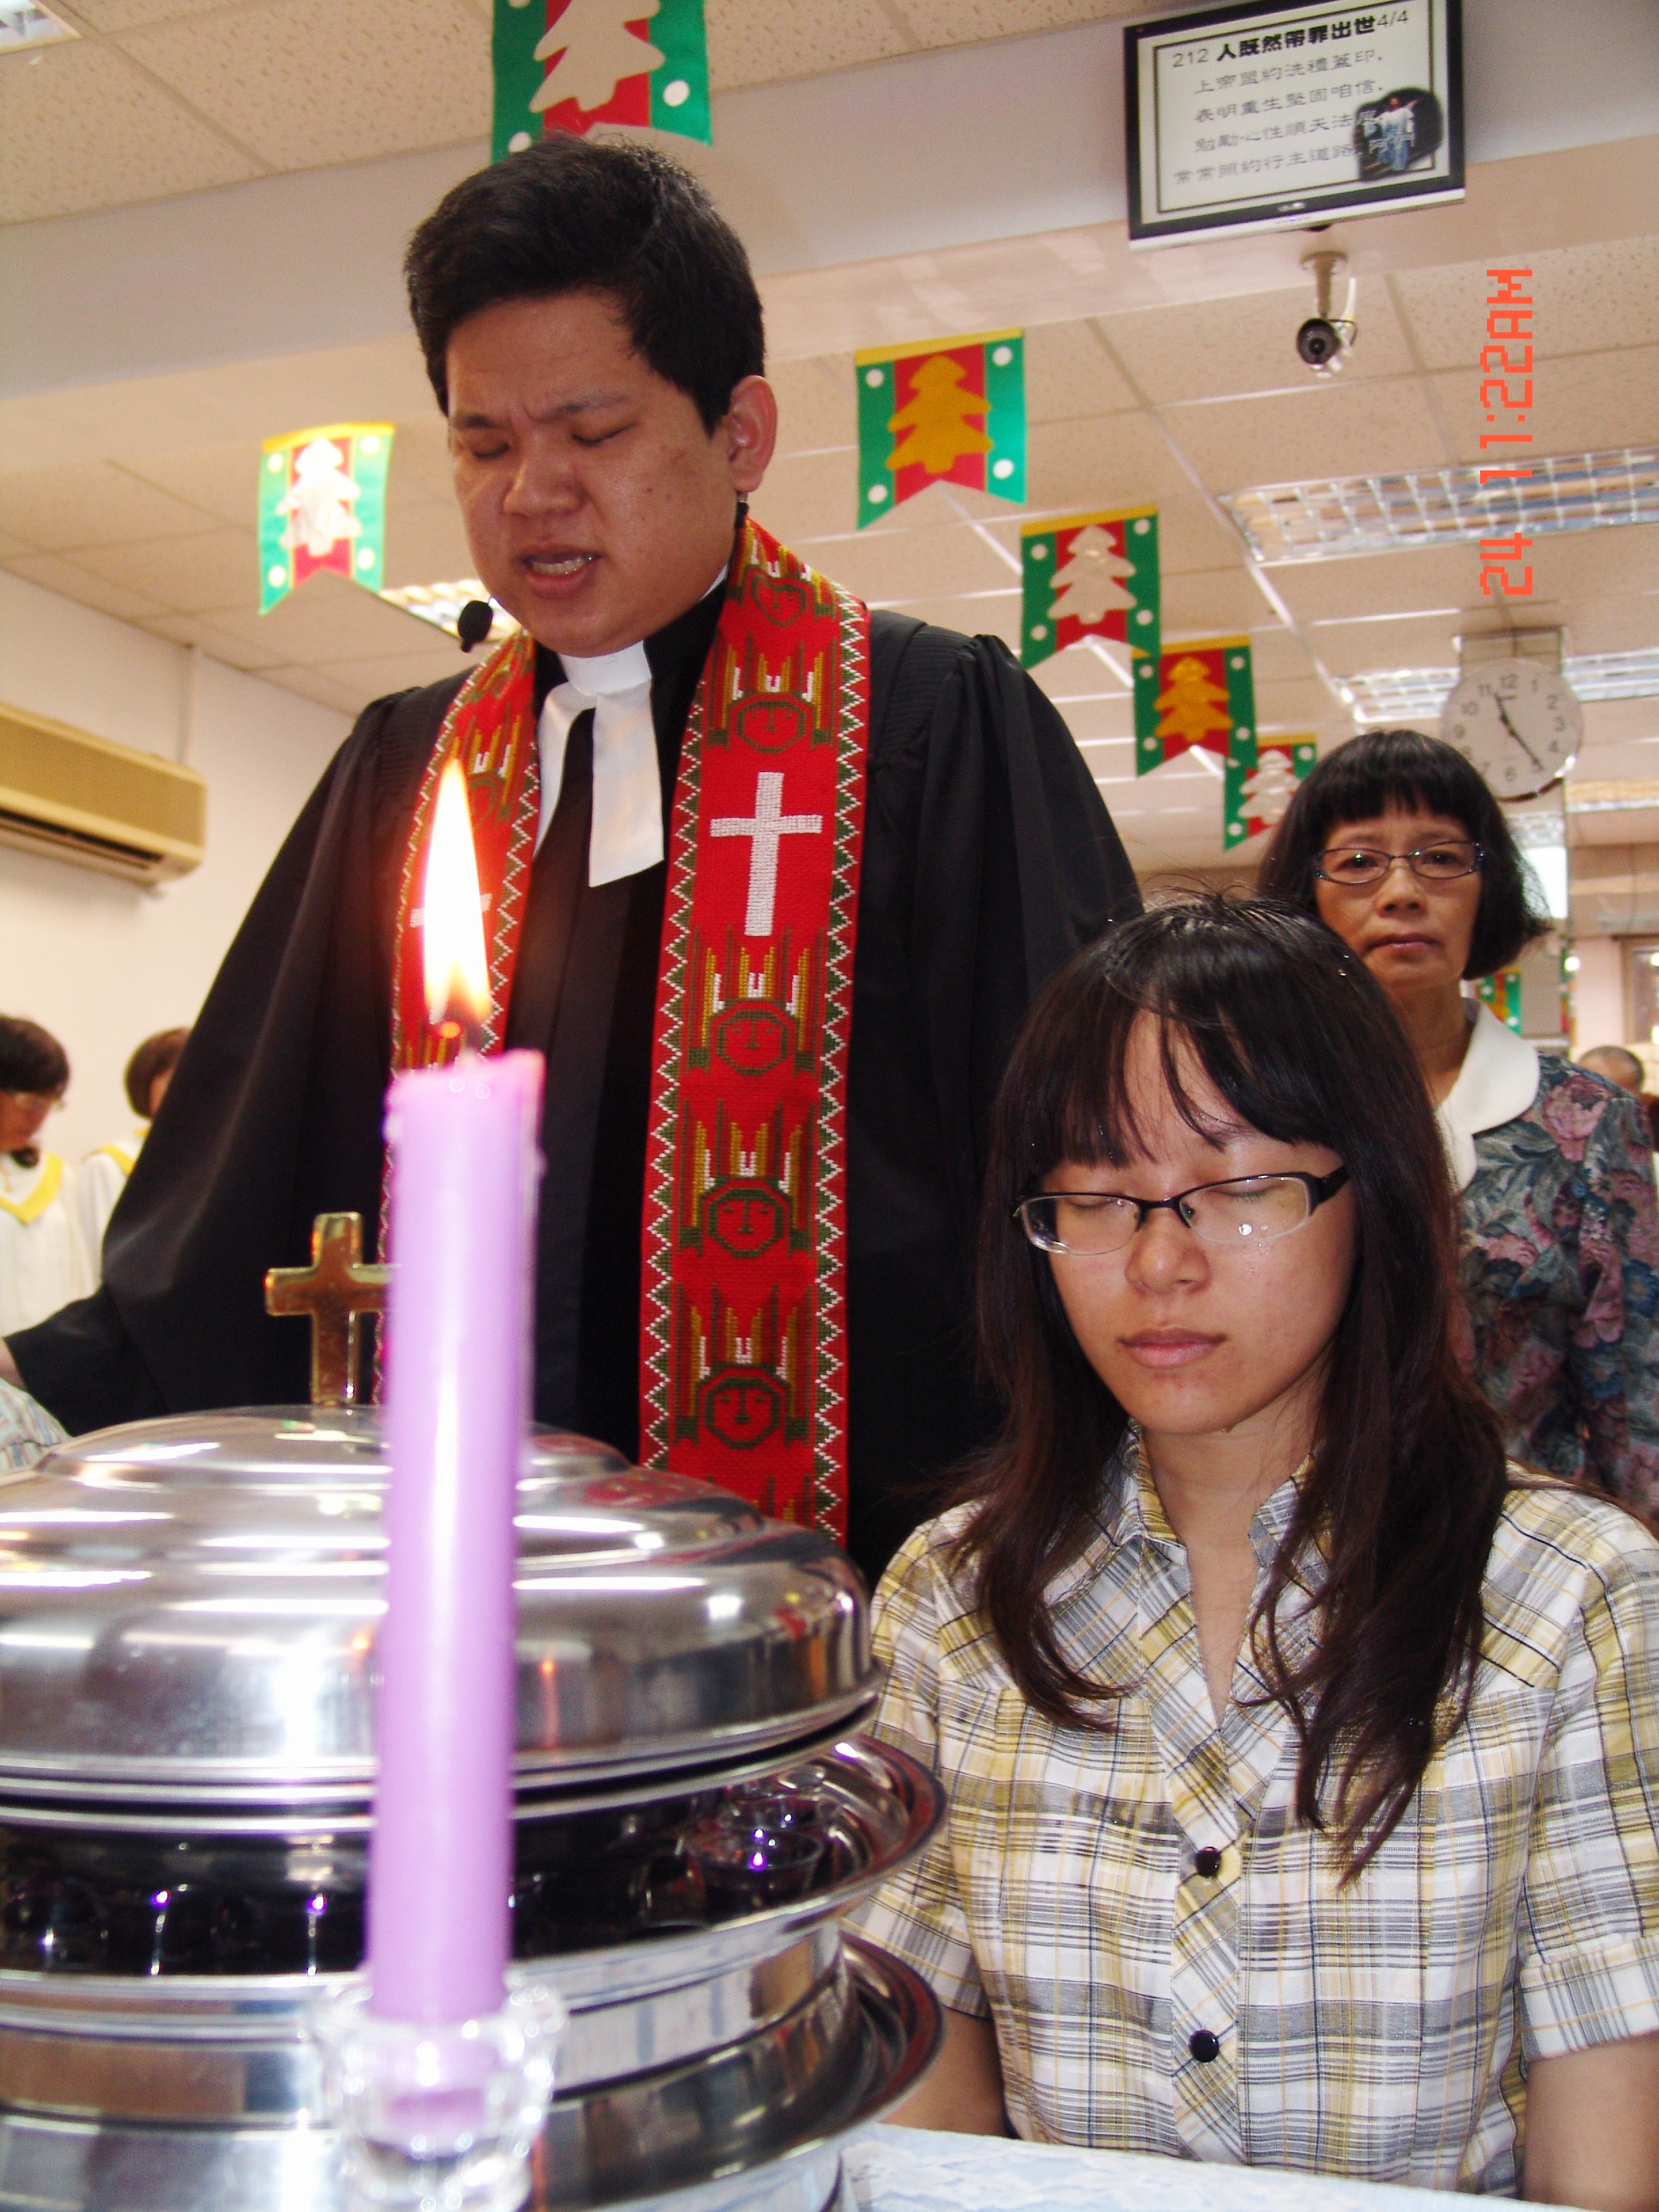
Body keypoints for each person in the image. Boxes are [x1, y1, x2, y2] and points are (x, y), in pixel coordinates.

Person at [1, 138, 1137, 1584]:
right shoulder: (407, 768)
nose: (532, 490)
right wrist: (48, 1379)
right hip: (459, 1590)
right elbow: (252, 1182)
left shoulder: (926, 728)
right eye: (483, 445)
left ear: (740, 434)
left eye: (590, 432)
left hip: (859, 1596)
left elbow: (1090, 1163)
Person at [855, 898, 1659, 2204]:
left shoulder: (1571, 1596)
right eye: (1095, 1196)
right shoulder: (954, 1597)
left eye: (1236, 1188)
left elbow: (1604, 2164)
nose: (1157, 1260)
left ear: (1372, 1190)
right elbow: (925, 2112)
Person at [1257, 729, 1659, 1513]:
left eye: (1440, 857)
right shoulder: (1259, 1106)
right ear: (1309, 895)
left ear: (1488, 885)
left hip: (1521, 1548)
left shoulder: (1587, 1124)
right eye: (1359, 861)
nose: (1402, 892)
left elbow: (1636, 1402)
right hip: (1290, 1538)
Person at [0, 1017, 92, 1340]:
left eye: (49, 1105)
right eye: (31, 1102)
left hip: (40, 1363)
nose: (38, 1119)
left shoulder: (56, 1177)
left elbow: (80, 1285)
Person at [71, 1028, 190, 1279]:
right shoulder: (110, 1166)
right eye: (174, 1081)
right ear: (146, 1085)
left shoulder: (216, 1161)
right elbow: (98, 1265)